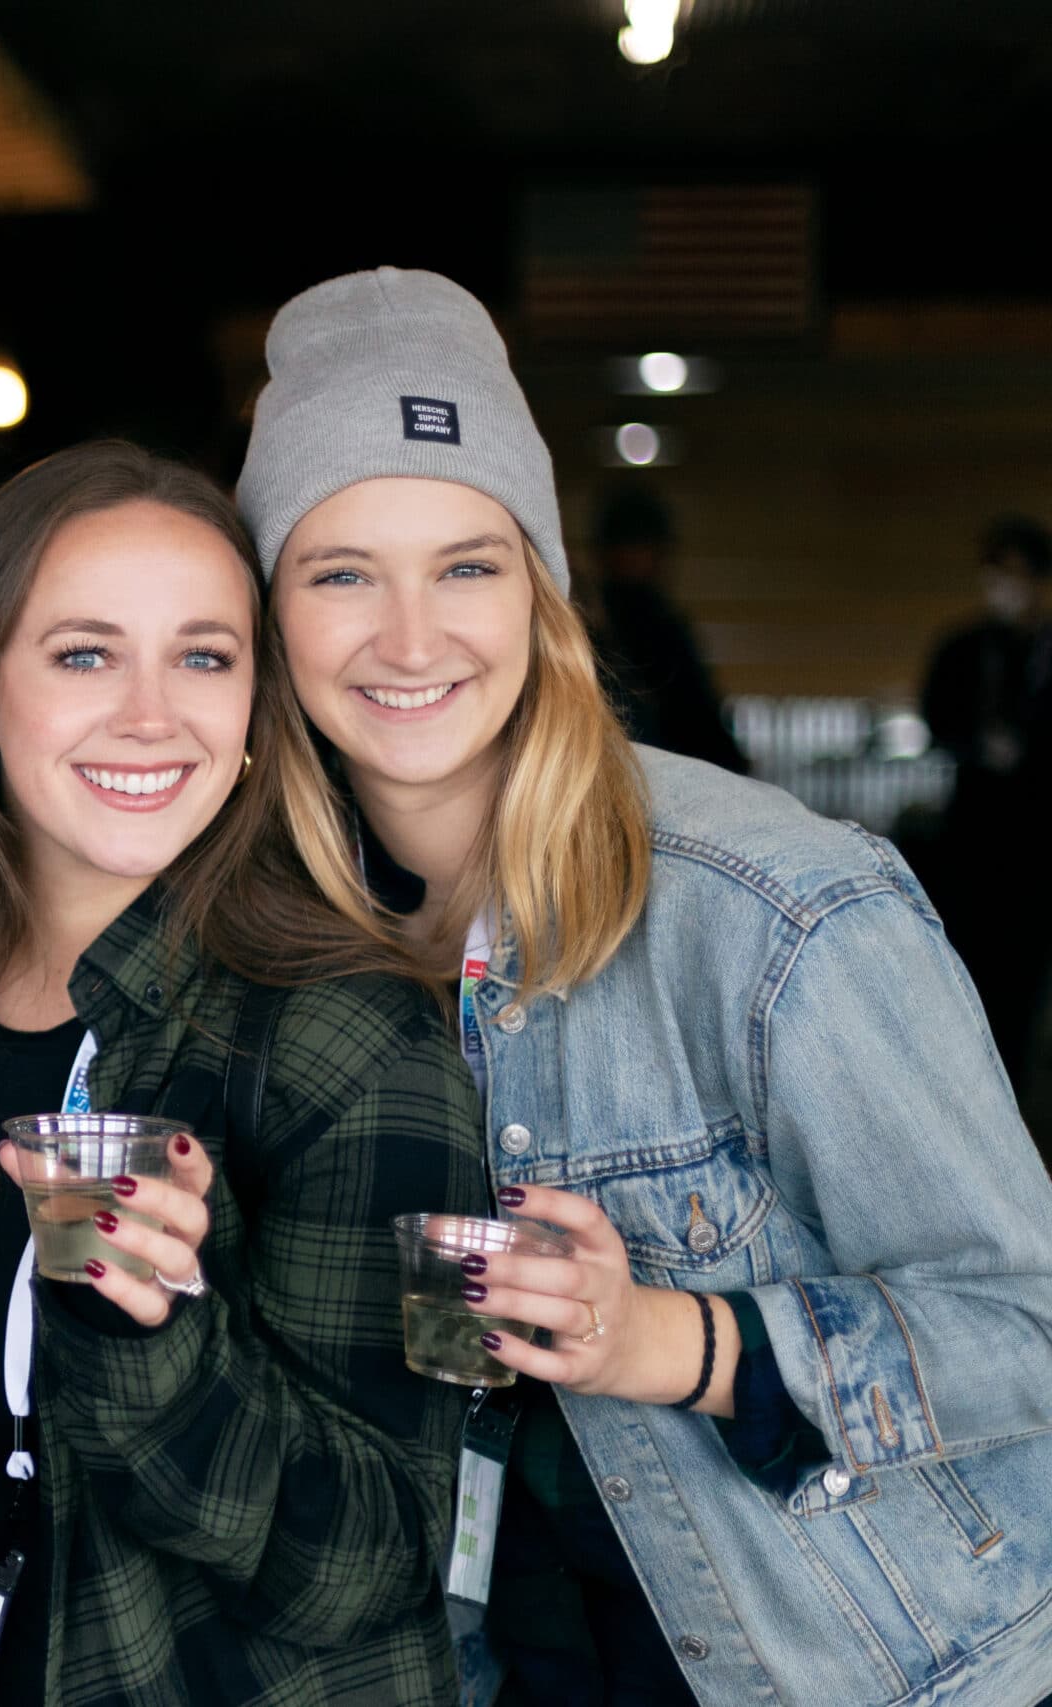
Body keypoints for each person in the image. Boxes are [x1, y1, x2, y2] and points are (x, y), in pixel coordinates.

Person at [238, 266, 1052, 1707]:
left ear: (543, 591)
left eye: (468, 564)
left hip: (862, 1664)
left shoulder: (773, 908)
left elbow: (1031, 1331)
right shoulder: (283, 942)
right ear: (271, 611)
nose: (412, 636)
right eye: (341, 568)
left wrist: (678, 1338)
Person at [0, 441, 488, 1707]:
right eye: (82, 654)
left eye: (203, 656)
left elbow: (398, 1555)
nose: (150, 714)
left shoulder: (371, 1042)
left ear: (249, 718)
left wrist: (154, 1335)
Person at [919, 513, 1052, 1090]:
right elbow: (936, 716)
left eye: (1015, 574)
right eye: (994, 573)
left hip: (1038, 844)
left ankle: (1018, 1087)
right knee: (969, 974)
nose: (1002, 587)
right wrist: (978, 745)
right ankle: (974, 1086)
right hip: (973, 842)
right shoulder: (965, 648)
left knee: (1023, 983)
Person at [583, 486, 745, 774]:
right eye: (632, 548)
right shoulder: (599, 627)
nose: (640, 560)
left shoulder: (663, 626)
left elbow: (699, 720)